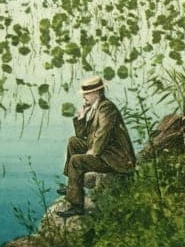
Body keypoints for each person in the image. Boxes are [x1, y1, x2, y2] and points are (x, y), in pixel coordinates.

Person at [58, 75, 136, 217]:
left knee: (76, 161)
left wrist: (93, 152)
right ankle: (72, 186)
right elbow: (83, 136)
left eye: (87, 94)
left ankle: (76, 205)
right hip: (105, 153)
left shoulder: (106, 108)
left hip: (115, 159)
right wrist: (81, 118)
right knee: (73, 141)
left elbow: (103, 133)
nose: (84, 97)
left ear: (97, 93)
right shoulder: (95, 107)